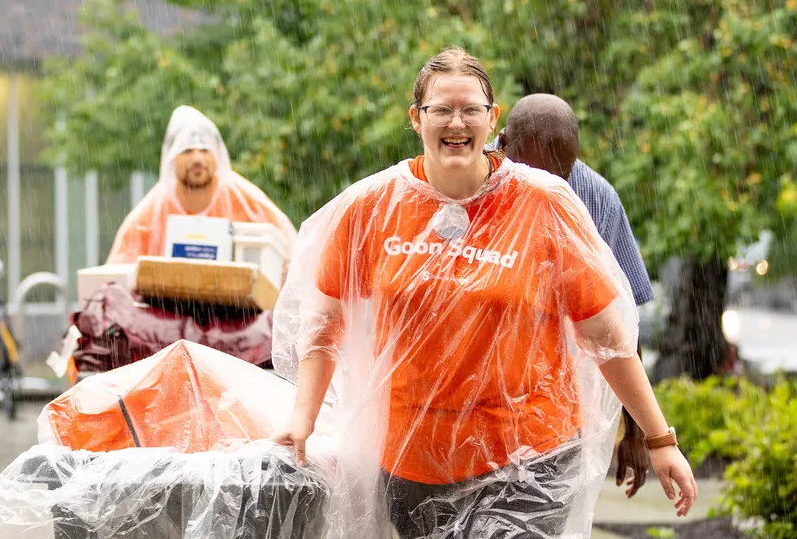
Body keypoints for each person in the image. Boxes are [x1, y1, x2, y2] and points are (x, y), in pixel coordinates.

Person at [270, 47, 696, 539]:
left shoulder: (545, 204)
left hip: (529, 460)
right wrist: (302, 418)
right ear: (416, 118)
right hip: (413, 464)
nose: (457, 121)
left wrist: (658, 437)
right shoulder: (371, 207)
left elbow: (607, 336)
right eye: (441, 109)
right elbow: (323, 324)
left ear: (492, 119)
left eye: (470, 109)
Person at [497, 93, 656, 499]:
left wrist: (639, 433)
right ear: (501, 144)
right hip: (479, 407)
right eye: (531, 173)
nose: (544, 190)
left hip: (557, 413)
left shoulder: (597, 200)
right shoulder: (470, 182)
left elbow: (622, 325)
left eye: (558, 176)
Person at [106, 105, 297, 264]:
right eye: (187, 150)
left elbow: (292, 252)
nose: (197, 159)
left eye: (205, 149)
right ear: (172, 158)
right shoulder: (150, 214)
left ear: (217, 155)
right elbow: (117, 274)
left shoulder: (246, 200)